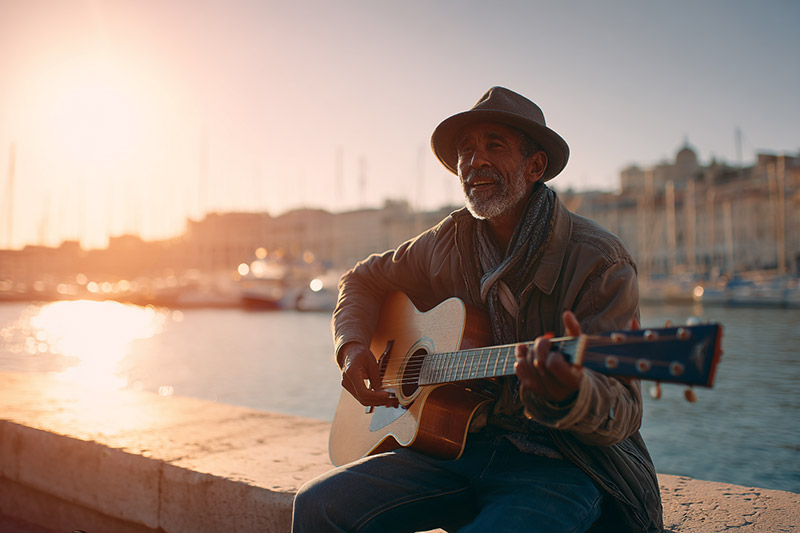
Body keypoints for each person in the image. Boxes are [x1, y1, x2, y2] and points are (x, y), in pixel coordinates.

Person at [292, 87, 663, 532]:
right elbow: (362, 279)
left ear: (535, 167)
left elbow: (623, 408)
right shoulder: (448, 241)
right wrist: (352, 347)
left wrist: (571, 393)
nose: (474, 160)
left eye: (495, 145)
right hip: (458, 448)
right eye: (466, 150)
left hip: (564, 462)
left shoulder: (599, 261)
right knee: (317, 506)